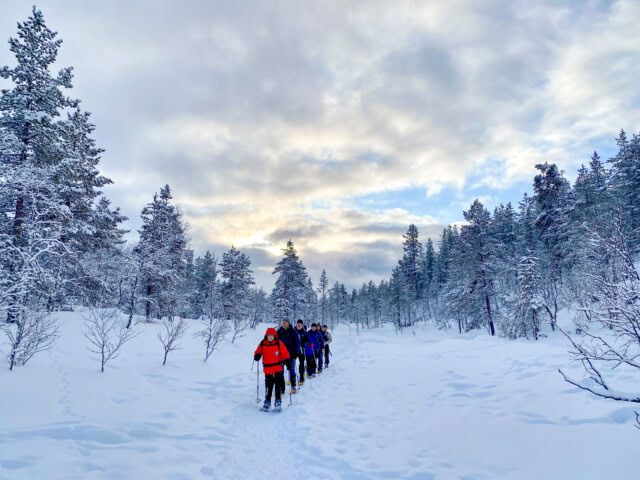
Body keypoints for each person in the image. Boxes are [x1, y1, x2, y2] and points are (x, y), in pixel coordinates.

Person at [254, 327, 290, 411]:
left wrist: (287, 360)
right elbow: (258, 351)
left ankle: (278, 401)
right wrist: (257, 355)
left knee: (278, 384)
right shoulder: (263, 343)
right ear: (266, 336)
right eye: (269, 335)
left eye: (272, 335)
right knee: (269, 385)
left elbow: (285, 352)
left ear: (274, 336)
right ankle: (267, 400)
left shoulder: (278, 343)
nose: (270, 337)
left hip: (277, 366)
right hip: (268, 368)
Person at [276, 319, 300, 394]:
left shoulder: (293, 331)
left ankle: (293, 386)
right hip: (281, 355)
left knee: (291, 370)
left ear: (288, 323)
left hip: (290, 354)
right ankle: (281, 388)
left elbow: (297, 342)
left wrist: (296, 352)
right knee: (280, 372)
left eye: (285, 322)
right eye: (283, 322)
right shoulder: (279, 331)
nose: (283, 323)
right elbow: (274, 341)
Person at [295, 320, 308, 386]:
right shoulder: (293, 331)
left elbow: (308, 339)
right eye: (298, 324)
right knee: (292, 364)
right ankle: (292, 378)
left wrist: (307, 343)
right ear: (296, 324)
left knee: (302, 364)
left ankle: (301, 378)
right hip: (294, 350)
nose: (299, 325)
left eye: (300, 324)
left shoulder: (305, 332)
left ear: (302, 325)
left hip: (301, 350)